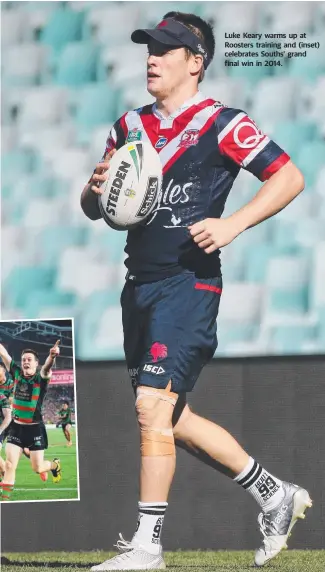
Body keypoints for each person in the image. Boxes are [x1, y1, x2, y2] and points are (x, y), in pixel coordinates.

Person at [81, 12, 311, 570]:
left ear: (196, 61)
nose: (151, 58)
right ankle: (273, 494)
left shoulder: (223, 123)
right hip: (139, 286)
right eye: (148, 49)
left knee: (151, 407)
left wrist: (233, 224)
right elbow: (97, 211)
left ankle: (147, 546)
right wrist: (93, 191)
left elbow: (290, 177)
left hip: (189, 284)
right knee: (169, 419)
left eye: (165, 49)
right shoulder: (127, 126)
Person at [0, 341, 62, 500]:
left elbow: (47, 368)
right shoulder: (17, 373)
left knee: (38, 467)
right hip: (16, 428)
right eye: (24, 359)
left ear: (36, 363)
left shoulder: (41, 379)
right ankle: (5, 502)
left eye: (29, 359)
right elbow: (4, 355)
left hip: (35, 429)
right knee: (9, 465)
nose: (26, 362)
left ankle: (54, 465)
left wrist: (52, 356)